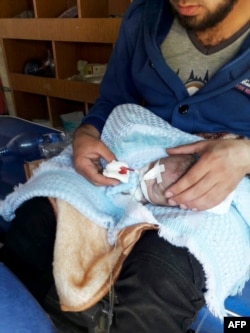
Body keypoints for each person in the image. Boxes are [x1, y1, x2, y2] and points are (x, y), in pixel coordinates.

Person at [0, 1, 249, 332]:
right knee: (36, 222)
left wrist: (243, 154)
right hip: (137, 154)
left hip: (232, 183)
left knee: (158, 276)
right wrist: (87, 133)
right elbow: (112, 100)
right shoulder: (144, 16)